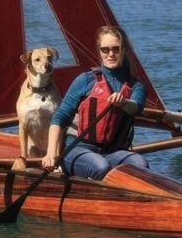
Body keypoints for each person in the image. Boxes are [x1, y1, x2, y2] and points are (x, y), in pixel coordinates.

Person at [42, 26, 149, 179]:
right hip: (78, 150)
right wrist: (51, 153)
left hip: (114, 152)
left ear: (124, 50)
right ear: (99, 51)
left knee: (141, 164)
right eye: (105, 50)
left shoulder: (136, 85)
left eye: (116, 49)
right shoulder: (85, 80)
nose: (111, 54)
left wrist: (124, 102)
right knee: (100, 166)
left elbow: (136, 107)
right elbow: (59, 118)